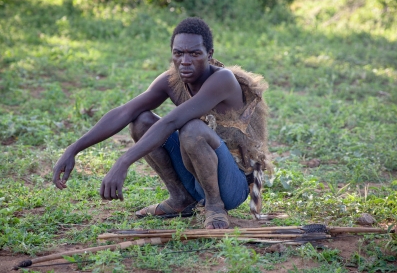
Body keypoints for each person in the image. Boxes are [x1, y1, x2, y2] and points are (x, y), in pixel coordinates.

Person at [52, 17, 271, 229]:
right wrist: (74, 149)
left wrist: (123, 162)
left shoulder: (222, 80)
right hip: (194, 178)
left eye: (195, 53)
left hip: (231, 187)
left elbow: (172, 121)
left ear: (209, 54)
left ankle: (214, 206)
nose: (185, 61)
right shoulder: (171, 80)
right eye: (178, 53)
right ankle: (180, 198)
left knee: (192, 129)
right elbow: (124, 112)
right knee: (141, 121)